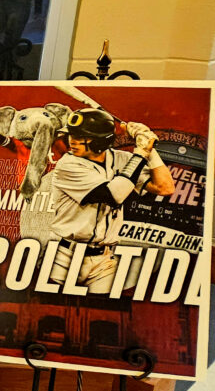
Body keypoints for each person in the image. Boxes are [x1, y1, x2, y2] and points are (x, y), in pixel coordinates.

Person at [48, 109, 175, 294]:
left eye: (81, 136)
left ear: (100, 140)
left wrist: (150, 147)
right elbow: (114, 195)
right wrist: (141, 153)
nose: (72, 141)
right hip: (67, 256)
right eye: (71, 135)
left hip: (104, 259)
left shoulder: (122, 159)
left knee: (103, 315)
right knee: (56, 312)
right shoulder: (67, 165)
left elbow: (165, 187)